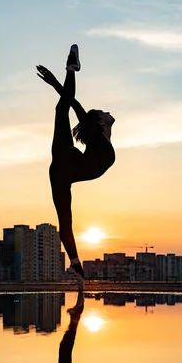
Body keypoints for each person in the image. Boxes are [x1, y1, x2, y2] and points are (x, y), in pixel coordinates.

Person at [36, 45, 116, 289]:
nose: (107, 110)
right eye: (103, 111)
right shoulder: (97, 136)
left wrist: (55, 84)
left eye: (103, 110)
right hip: (67, 164)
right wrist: (56, 83)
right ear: (101, 121)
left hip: (64, 167)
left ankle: (75, 265)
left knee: (65, 221)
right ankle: (72, 68)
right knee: (62, 106)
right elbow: (74, 104)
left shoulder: (97, 135)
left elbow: (74, 103)